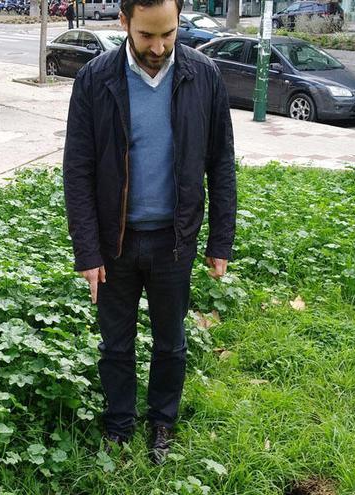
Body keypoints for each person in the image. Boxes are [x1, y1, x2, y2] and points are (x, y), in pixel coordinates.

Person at [62, 0, 235, 466]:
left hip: (173, 240)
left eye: (169, 34)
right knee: (114, 344)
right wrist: (87, 251)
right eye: (146, 36)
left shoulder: (203, 76)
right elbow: (77, 170)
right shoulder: (95, 80)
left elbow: (221, 162)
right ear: (123, 23)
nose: (158, 47)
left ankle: (162, 422)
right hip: (113, 243)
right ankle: (119, 426)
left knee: (170, 342)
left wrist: (221, 240)